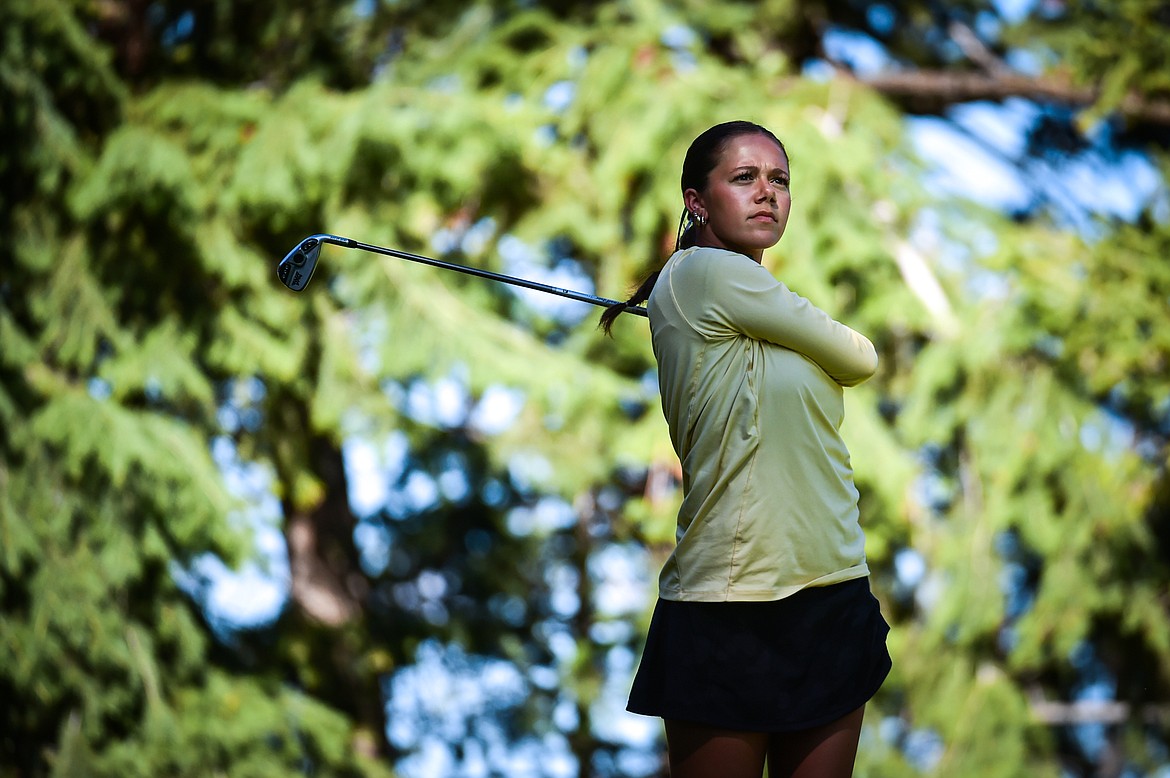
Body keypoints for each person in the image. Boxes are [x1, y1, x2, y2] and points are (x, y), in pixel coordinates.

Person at [599, 121, 891, 778]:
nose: (768, 194)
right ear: (696, 200)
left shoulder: (745, 299)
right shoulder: (703, 272)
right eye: (744, 178)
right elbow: (858, 355)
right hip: (729, 608)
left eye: (780, 180)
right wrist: (812, 344)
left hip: (832, 585)